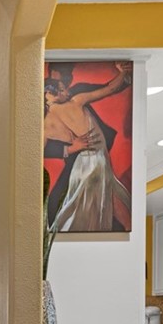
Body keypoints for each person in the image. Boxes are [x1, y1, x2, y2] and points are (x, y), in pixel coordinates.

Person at [44, 63, 132, 232]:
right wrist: (69, 149)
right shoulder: (75, 102)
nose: (67, 91)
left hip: (85, 162)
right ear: (50, 93)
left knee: (102, 195)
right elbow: (110, 89)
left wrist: (123, 75)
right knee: (83, 201)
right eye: (62, 89)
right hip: (93, 160)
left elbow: (110, 88)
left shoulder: (46, 123)